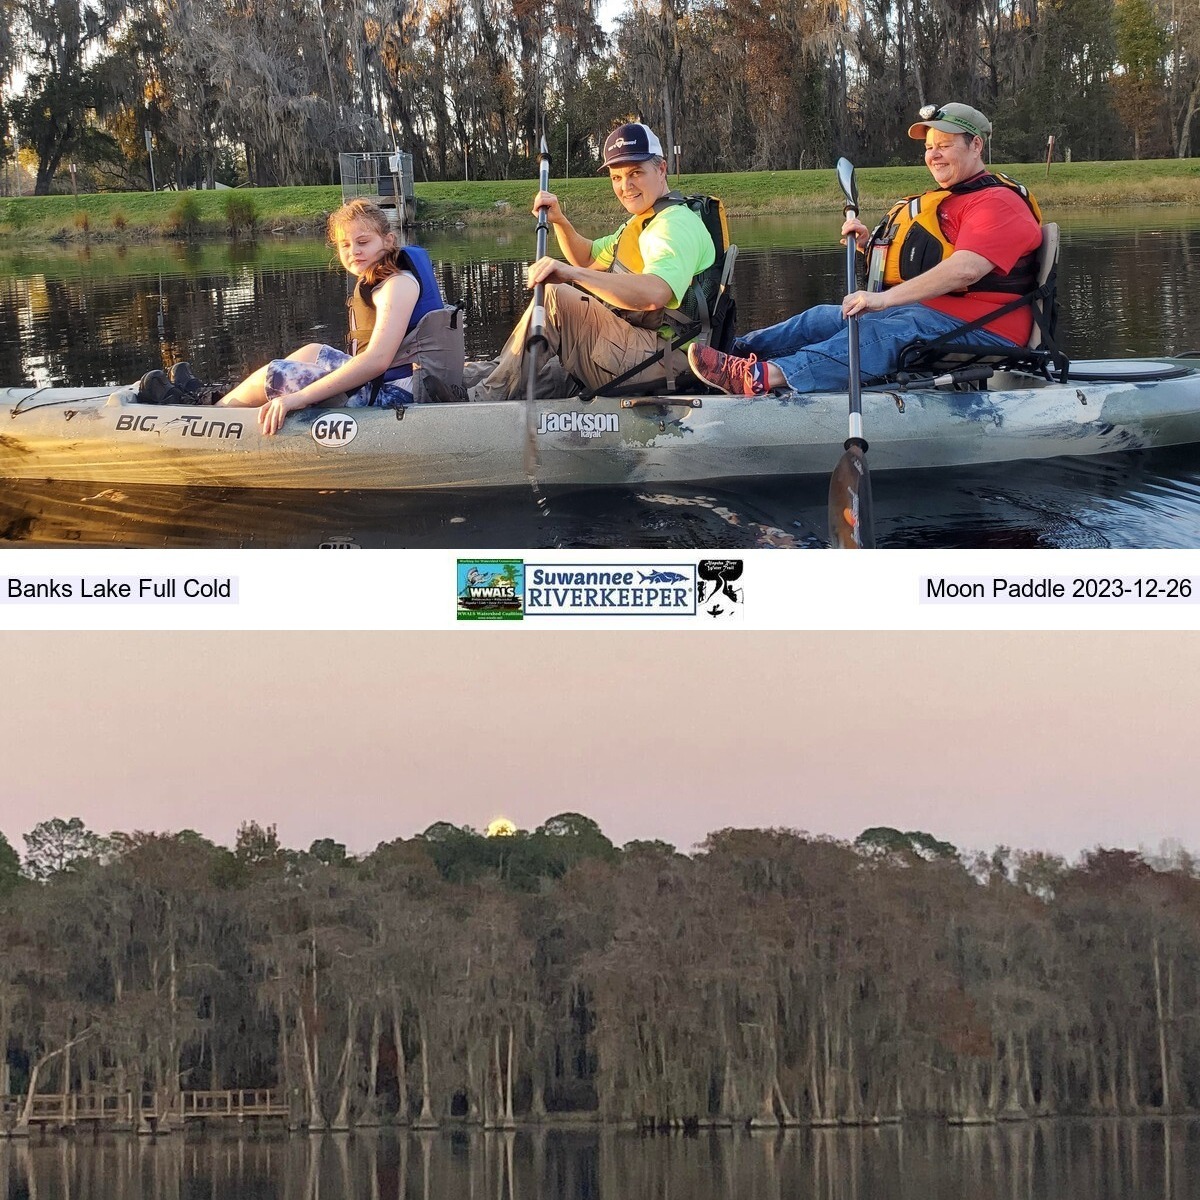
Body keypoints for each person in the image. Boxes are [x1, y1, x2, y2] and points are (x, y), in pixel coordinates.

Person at [687, 103, 1044, 395]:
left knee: (882, 332)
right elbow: (927, 261)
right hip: (933, 314)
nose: (933, 155)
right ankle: (730, 354)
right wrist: (867, 246)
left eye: (945, 145)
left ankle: (766, 377)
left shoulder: (998, 203)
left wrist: (884, 300)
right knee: (824, 318)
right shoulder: (951, 200)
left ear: (976, 145)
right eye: (929, 147)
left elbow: (967, 269)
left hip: (986, 326)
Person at [157, 199, 464, 435]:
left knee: (276, 374)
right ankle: (209, 398)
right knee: (312, 352)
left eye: (363, 242)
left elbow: (378, 361)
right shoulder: (385, 277)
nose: (353, 251)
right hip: (390, 383)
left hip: (401, 395)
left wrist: (297, 399)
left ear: (387, 241)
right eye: (345, 245)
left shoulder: (397, 285)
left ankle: (211, 414)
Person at [472, 122, 715, 401]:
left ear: (661, 170)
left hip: (668, 359)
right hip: (641, 347)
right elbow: (588, 258)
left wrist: (569, 274)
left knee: (556, 299)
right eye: (616, 177)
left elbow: (655, 293)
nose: (626, 186)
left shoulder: (672, 225)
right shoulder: (645, 221)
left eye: (636, 173)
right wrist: (560, 221)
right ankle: (461, 389)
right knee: (537, 371)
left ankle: (476, 406)